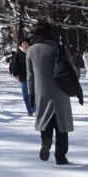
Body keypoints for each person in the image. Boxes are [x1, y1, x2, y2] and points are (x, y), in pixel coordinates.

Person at [26, 21, 74, 165]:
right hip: (61, 89)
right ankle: (61, 156)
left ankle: (46, 140)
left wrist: (31, 94)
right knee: (61, 124)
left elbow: (30, 75)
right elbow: (70, 68)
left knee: (45, 120)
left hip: (42, 90)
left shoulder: (31, 50)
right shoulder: (59, 47)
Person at [9, 38, 34, 114]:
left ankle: (35, 108)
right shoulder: (18, 55)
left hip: (33, 77)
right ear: (20, 45)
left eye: (26, 43)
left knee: (34, 93)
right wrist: (16, 74)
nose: (25, 45)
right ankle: (30, 110)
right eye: (23, 44)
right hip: (23, 77)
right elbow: (14, 65)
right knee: (26, 94)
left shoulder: (33, 53)